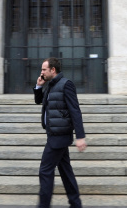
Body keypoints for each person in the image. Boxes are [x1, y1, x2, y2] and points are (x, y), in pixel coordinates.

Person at [33, 57, 87, 208]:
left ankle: (43, 205)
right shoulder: (50, 85)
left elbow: (75, 110)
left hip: (59, 136)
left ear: (53, 70)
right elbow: (40, 102)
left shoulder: (66, 84)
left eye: (44, 69)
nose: (41, 72)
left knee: (45, 171)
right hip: (53, 134)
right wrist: (38, 86)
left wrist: (80, 137)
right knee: (65, 172)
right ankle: (75, 203)